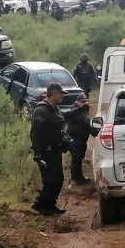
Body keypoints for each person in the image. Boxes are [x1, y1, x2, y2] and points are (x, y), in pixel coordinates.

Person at [29, 82, 89, 216]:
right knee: (51, 180)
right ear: (54, 93)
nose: (63, 96)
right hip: (46, 152)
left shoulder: (53, 109)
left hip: (55, 151)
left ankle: (50, 205)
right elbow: (35, 134)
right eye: (61, 94)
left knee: (58, 179)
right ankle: (41, 205)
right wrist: (37, 153)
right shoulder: (42, 110)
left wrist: (80, 109)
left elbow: (64, 116)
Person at [66, 93, 98, 185]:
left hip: (81, 139)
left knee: (79, 159)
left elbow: (87, 122)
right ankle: (74, 178)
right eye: (82, 101)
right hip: (76, 139)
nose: (84, 103)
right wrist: (94, 132)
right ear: (77, 102)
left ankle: (79, 177)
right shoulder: (75, 111)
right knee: (76, 159)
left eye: (85, 101)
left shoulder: (83, 111)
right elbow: (85, 124)